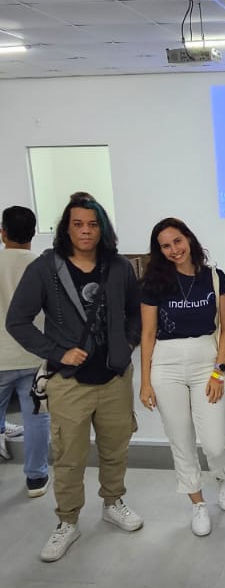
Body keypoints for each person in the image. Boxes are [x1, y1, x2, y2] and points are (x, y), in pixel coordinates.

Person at [5, 191, 143, 562]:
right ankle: (67, 521)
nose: (85, 231)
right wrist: (57, 352)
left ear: (102, 229)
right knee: (69, 456)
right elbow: (17, 321)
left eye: (93, 224)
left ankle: (113, 502)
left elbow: (136, 311)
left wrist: (127, 344)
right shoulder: (45, 268)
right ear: (66, 228)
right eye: (78, 224)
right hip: (68, 381)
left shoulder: (119, 267)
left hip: (114, 378)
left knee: (116, 448)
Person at [139, 219, 225, 537]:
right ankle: (197, 502)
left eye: (177, 241)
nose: (174, 250)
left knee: (215, 443)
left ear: (189, 240)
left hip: (206, 360)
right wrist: (145, 382)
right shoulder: (153, 283)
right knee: (180, 439)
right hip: (166, 363)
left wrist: (218, 370)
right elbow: (148, 334)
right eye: (165, 246)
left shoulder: (214, 277)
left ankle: (222, 478)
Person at [0, 205, 50, 495]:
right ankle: (36, 478)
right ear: (33, 233)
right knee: (36, 418)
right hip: (33, 355)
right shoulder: (42, 265)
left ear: (3, 232)